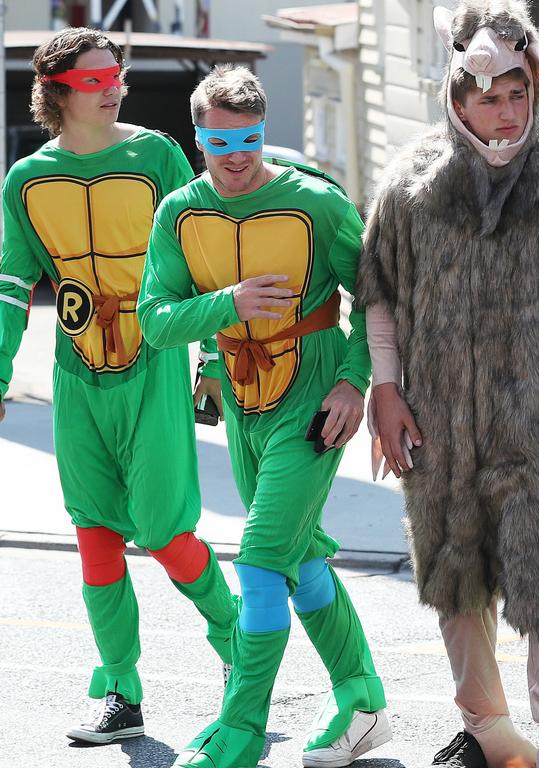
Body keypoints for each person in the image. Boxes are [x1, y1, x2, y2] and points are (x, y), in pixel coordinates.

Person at [357, 2, 539, 766]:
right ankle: (488, 730)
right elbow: (381, 298)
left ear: (534, 92)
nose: (504, 111)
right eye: (486, 97)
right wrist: (383, 390)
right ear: (456, 99)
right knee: (458, 582)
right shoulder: (411, 189)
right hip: (438, 432)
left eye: (517, 93)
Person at [137, 65, 389, 768]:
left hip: (312, 391)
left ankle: (241, 731)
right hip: (242, 399)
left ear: (263, 131)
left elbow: (375, 293)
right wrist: (227, 310)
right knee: (296, 556)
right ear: (199, 139)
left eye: (250, 138)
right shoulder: (179, 214)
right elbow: (154, 321)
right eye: (221, 141)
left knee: (258, 559)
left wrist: (353, 382)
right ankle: (363, 701)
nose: (237, 154)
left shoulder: (315, 202)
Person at [0, 27, 237, 745]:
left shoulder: (157, 155)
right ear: (58, 92)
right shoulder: (26, 181)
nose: (114, 87)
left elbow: (201, 257)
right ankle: (120, 691)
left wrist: (215, 360)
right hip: (76, 372)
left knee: (165, 532)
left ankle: (240, 648)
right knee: (95, 532)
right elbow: (13, 285)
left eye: (117, 74)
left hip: (155, 360)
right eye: (97, 79)